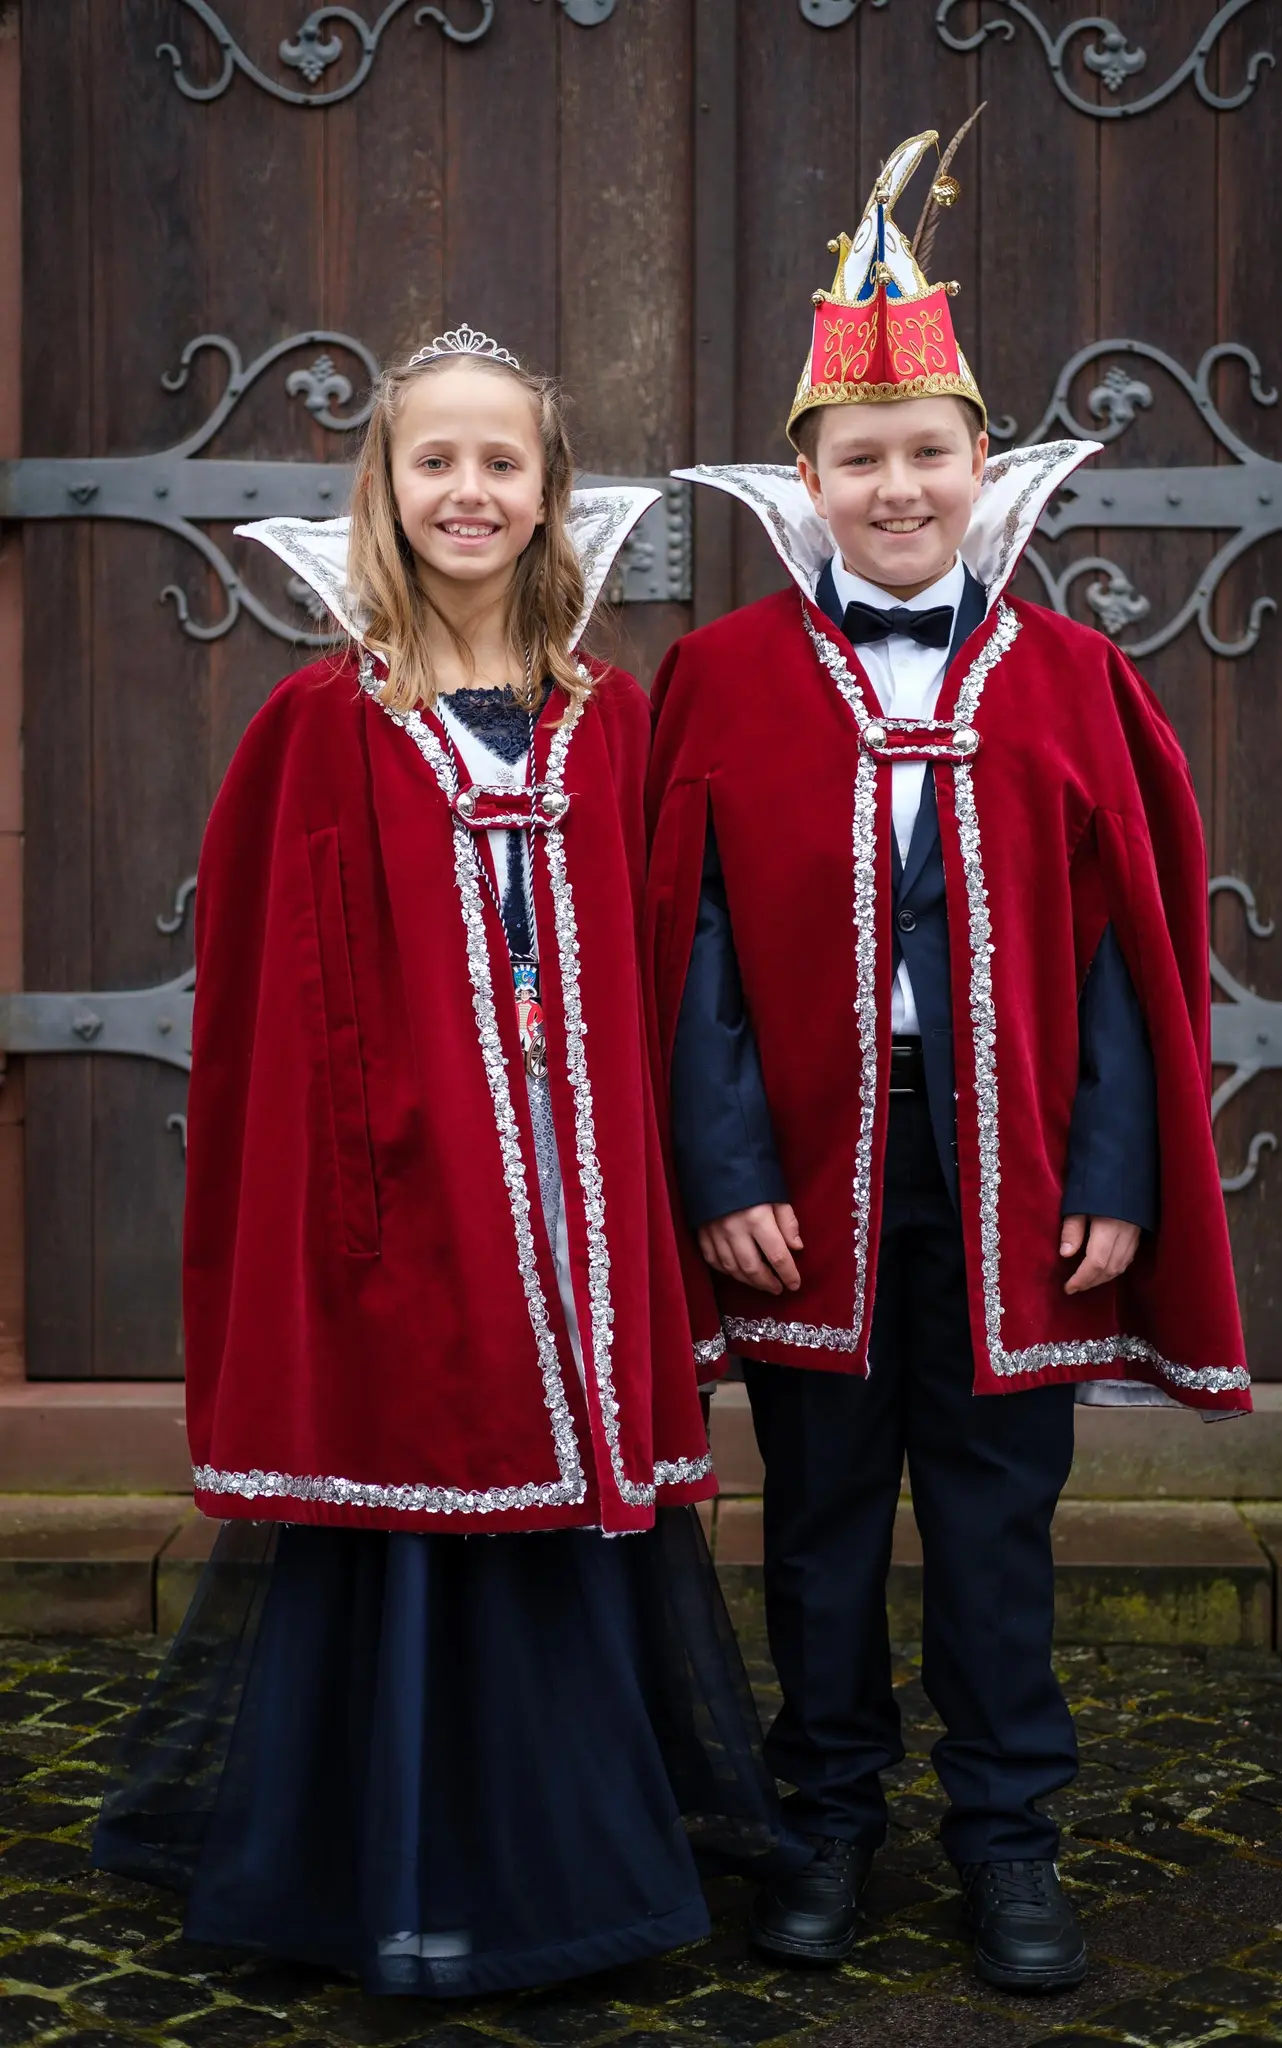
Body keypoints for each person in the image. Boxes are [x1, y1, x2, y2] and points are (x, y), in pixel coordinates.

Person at [93, 326, 800, 1996]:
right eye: (437, 461)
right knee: (421, 1509)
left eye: (503, 461)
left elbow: (673, 965)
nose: (469, 491)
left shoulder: (610, 723)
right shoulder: (315, 724)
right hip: (404, 1208)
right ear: (385, 489)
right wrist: (366, 1181)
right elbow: (287, 1002)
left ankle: (575, 1855)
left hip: (581, 1205)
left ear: (550, 490)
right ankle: (395, 1875)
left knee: (571, 1521)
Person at [644, 131, 1251, 1990]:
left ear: (984, 474)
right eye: (861, 461)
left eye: (929, 458)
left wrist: (1122, 1178)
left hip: (1018, 1179)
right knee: (822, 1527)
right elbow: (692, 947)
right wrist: (726, 1165)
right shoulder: (724, 678)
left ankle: (1011, 1841)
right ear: (804, 481)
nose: (897, 490)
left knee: (995, 1528)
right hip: (810, 1179)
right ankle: (822, 1827)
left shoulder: (1075, 678)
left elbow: (1135, 954)